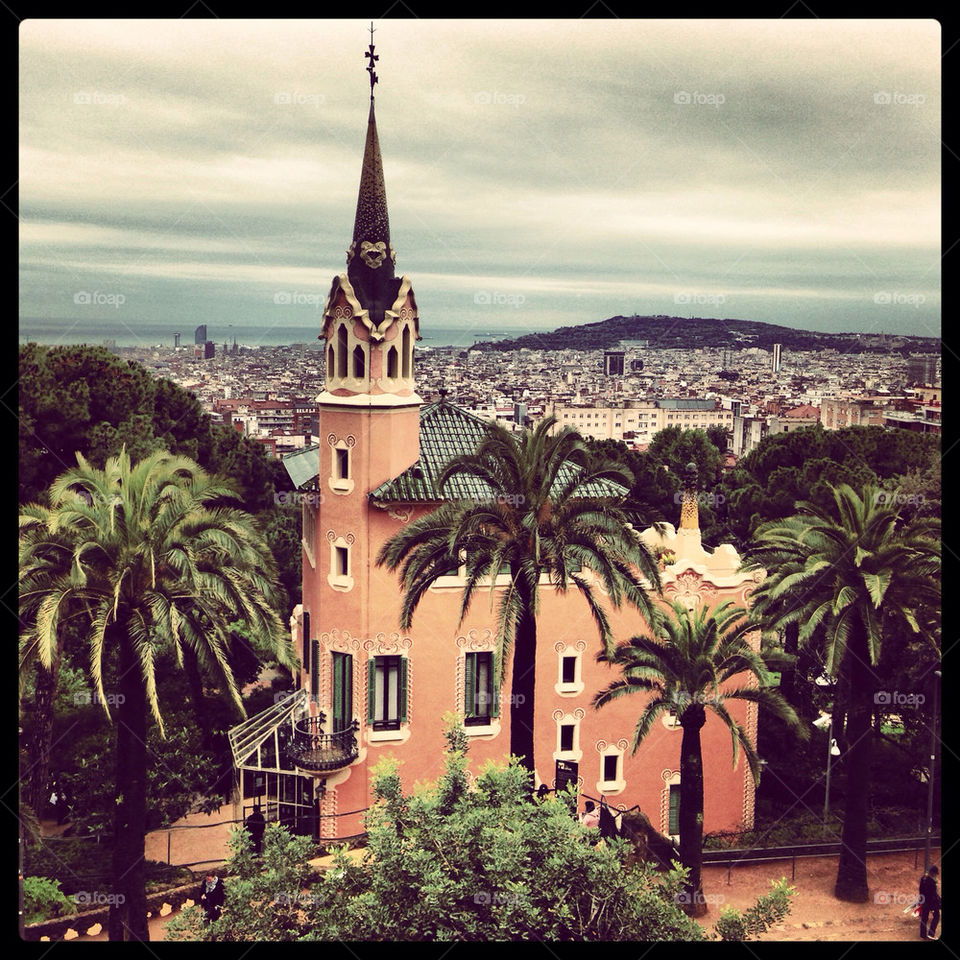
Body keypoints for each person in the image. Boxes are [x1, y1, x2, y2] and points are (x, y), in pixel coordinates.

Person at [919, 865, 940, 940]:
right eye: (935, 873)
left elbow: (920, 891)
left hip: (924, 901)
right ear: (933, 873)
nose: (935, 875)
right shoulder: (932, 882)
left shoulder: (923, 878)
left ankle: (923, 935)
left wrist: (921, 900)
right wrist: (938, 902)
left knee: (924, 917)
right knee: (937, 916)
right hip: (931, 903)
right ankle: (931, 934)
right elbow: (933, 895)